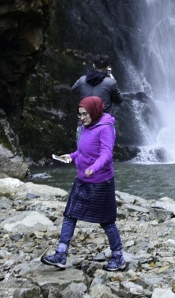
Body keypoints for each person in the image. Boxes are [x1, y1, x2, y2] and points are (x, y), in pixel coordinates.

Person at [41, 96, 128, 272]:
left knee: (107, 221)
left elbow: (106, 154)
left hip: (101, 182)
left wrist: (93, 168)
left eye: (85, 114)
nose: (82, 118)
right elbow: (83, 150)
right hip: (83, 181)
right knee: (70, 215)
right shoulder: (86, 127)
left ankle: (118, 256)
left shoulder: (105, 128)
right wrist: (71, 156)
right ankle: (61, 254)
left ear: (94, 112)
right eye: (80, 114)